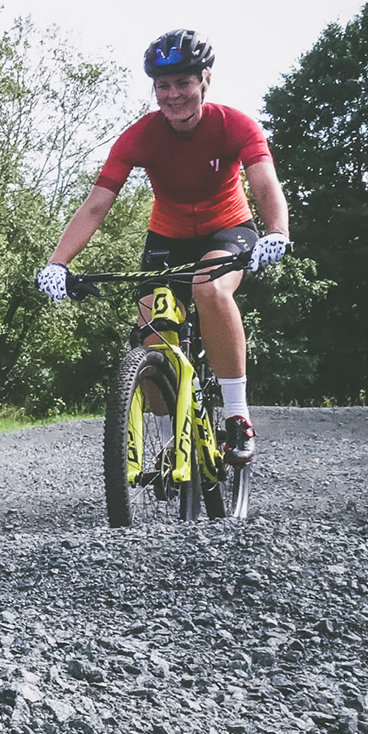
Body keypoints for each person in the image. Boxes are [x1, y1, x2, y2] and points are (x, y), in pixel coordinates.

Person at [36, 30, 291, 464]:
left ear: (204, 80)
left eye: (183, 83)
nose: (172, 95)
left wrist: (277, 232)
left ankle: (236, 416)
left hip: (228, 229)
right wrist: (58, 263)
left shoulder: (235, 125)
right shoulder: (141, 136)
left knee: (209, 289)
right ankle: (175, 437)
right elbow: (97, 205)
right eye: (162, 86)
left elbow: (264, 181)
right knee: (152, 335)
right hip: (167, 237)